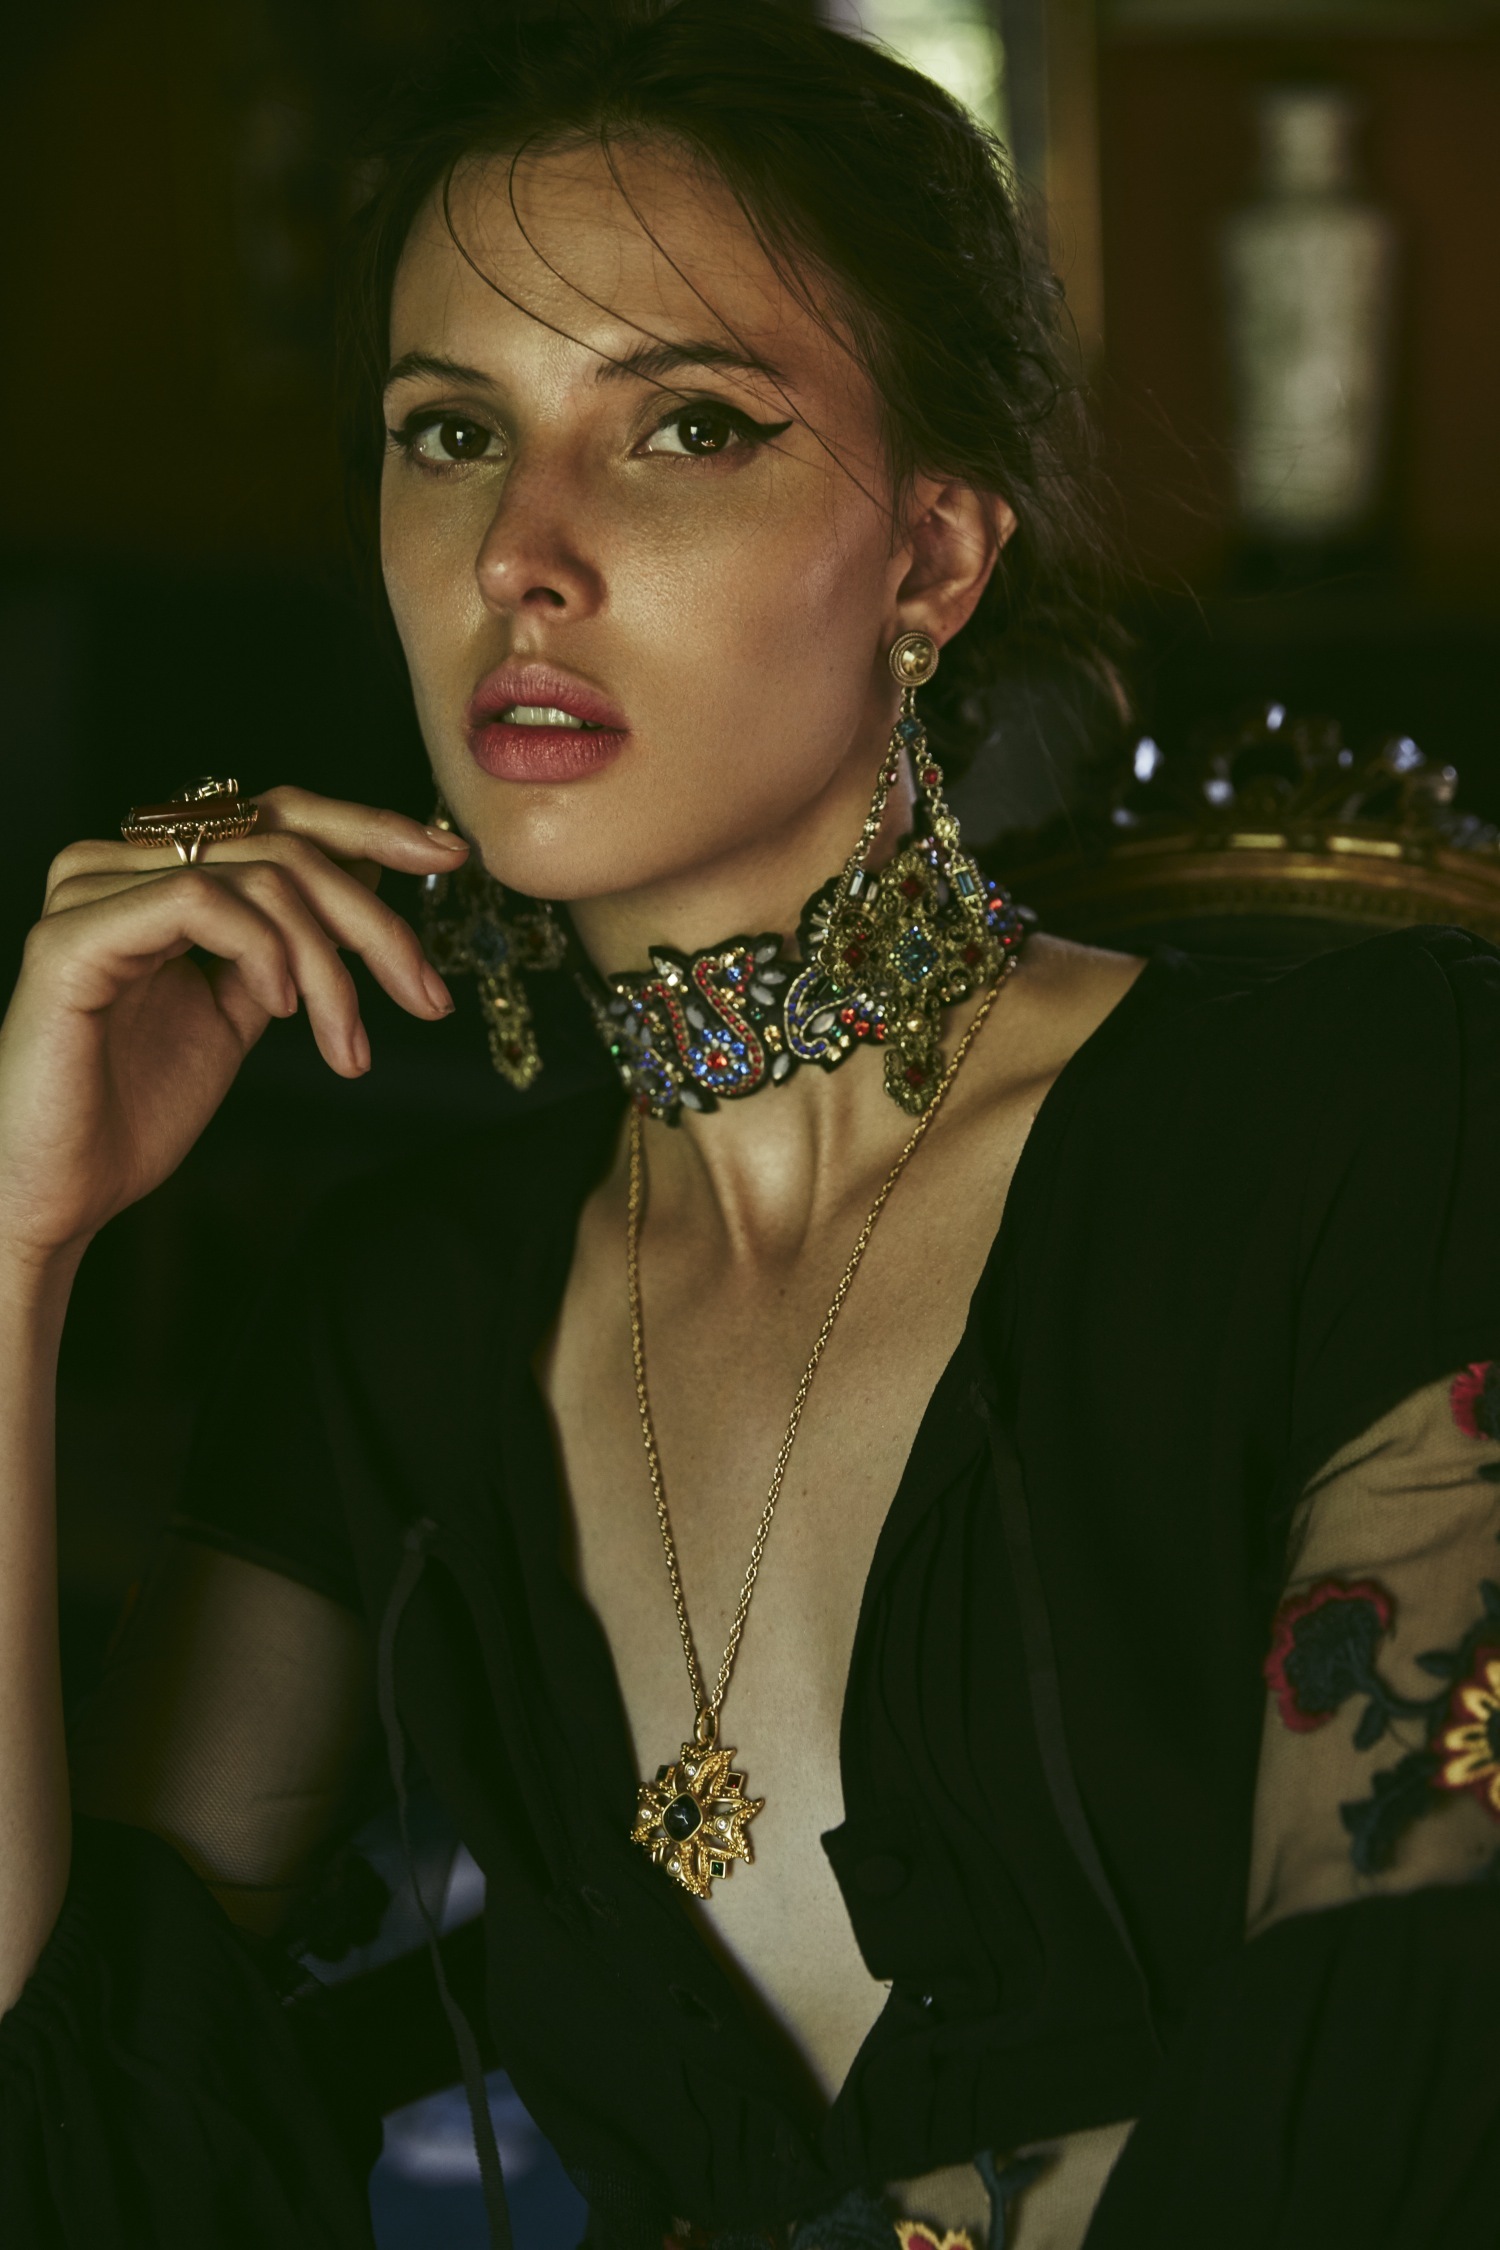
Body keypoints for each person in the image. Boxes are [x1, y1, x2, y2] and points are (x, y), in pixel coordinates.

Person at [3, 7, 1500, 2247]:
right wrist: (14, 1247)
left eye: (687, 425)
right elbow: (73, 2127)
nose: (521, 555)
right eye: (447, 434)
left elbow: (1414, 2087)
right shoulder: (406, 1317)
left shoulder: (1375, 1117)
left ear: (931, 559)